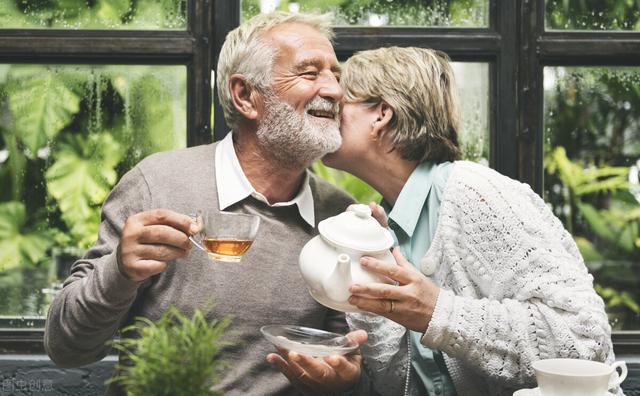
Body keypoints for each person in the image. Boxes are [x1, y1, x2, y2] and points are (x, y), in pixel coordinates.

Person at [44, 12, 368, 396]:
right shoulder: (157, 184)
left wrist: (343, 380)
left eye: (336, 73)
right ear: (245, 95)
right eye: (310, 73)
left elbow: (342, 355)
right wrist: (119, 272)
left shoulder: (341, 219)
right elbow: (66, 347)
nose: (334, 90)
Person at [322, 46, 619, 396]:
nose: (325, 113)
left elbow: (583, 339)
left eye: (340, 103)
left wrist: (438, 312)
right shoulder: (388, 226)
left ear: (381, 115)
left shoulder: (474, 191)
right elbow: (401, 384)